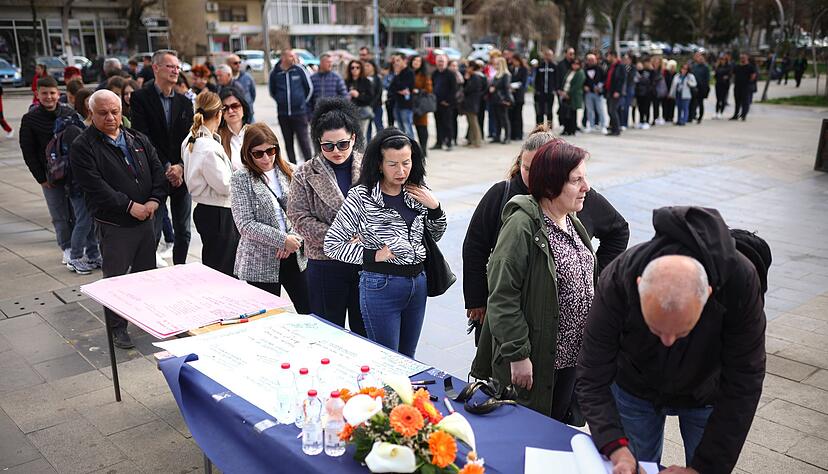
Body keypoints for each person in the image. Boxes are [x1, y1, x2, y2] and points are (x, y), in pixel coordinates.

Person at [576, 207, 766, 474]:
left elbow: (745, 379)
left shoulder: (740, 282)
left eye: (681, 332)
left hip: (706, 390)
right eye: (656, 328)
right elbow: (592, 372)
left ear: (708, 295)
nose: (667, 341)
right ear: (639, 285)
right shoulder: (619, 278)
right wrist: (615, 447)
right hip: (635, 385)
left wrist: (703, 468)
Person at [463, 124, 629, 344]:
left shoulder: (579, 199)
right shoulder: (504, 198)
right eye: (526, 167)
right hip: (519, 320)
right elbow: (475, 248)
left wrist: (594, 276)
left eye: (537, 168)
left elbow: (618, 231)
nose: (532, 176)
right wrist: (477, 299)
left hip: (566, 330)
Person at [471, 138, 596, 423]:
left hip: (569, 361)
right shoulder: (521, 225)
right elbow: (502, 295)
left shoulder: (571, 221)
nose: (586, 187)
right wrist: (517, 354)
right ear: (552, 185)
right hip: (535, 364)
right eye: (577, 180)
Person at [324, 128, 446, 357]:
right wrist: (373, 255)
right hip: (381, 286)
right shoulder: (362, 196)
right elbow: (332, 244)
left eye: (406, 162)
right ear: (379, 164)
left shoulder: (418, 191)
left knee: (409, 357)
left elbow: (436, 236)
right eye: (393, 164)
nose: (401, 171)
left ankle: (407, 395)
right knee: (387, 358)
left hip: (418, 283)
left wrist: (435, 208)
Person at [70, 89, 167, 349]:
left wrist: (154, 200)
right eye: (103, 113)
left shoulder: (136, 137)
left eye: (115, 111)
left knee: (146, 275)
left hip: (146, 220)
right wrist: (128, 206)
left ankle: (147, 319)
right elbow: (95, 186)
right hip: (115, 225)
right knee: (116, 279)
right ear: (91, 113)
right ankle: (117, 328)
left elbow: (158, 172)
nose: (111, 117)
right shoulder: (83, 145)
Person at [288, 97, 367, 336]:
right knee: (328, 333)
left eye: (343, 144)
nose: (336, 151)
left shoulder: (370, 168)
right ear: (318, 143)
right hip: (324, 263)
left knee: (364, 332)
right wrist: (340, 238)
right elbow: (298, 216)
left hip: (365, 261)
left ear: (353, 138)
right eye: (328, 146)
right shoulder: (304, 173)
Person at [232, 123, 310, 313]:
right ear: (248, 153)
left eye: (270, 150)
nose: (266, 158)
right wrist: (282, 240)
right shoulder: (241, 178)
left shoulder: (291, 170)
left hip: (295, 255)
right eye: (258, 153)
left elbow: (304, 212)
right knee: (265, 320)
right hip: (260, 261)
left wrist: (293, 239)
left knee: (311, 312)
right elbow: (245, 224)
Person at [130, 49, 194, 265]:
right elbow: (142, 137)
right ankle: (149, 271)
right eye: (170, 66)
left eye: (178, 67)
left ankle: (181, 269)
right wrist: (167, 166)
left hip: (180, 175)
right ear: (155, 68)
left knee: (183, 230)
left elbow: (190, 139)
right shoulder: (140, 98)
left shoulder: (185, 102)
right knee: (153, 231)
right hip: (155, 174)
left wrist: (181, 166)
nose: (176, 70)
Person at [19, 76, 78, 264]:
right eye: (44, 93)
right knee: (59, 214)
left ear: (58, 93)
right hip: (49, 176)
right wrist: (40, 178)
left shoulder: (69, 113)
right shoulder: (29, 119)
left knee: (77, 213)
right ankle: (67, 247)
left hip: (73, 174)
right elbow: (28, 152)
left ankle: (80, 246)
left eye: (52, 93)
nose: (49, 97)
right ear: (37, 94)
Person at [181, 91, 239, 276]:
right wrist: (242, 177)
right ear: (219, 114)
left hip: (209, 210)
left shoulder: (192, 139)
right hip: (219, 212)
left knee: (216, 265)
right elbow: (224, 186)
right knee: (224, 271)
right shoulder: (207, 146)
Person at [269, 49, 314, 164]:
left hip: (299, 114)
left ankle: (310, 167)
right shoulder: (275, 72)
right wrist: (281, 101)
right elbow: (272, 91)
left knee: (304, 142)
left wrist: (301, 103)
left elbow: (309, 88)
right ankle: (292, 168)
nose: (294, 58)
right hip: (283, 115)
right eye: (291, 56)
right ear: (284, 58)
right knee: (288, 143)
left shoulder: (299, 70)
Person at [218, 88, 252, 171]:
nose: (230, 111)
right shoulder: (218, 137)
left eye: (235, 106)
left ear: (243, 108)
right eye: (225, 108)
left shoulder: (254, 132)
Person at [431, 54, 458, 151]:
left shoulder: (450, 74)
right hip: (437, 103)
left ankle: (449, 142)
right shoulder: (435, 73)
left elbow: (454, 89)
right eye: (439, 61)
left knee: (447, 124)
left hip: (447, 104)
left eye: (442, 61)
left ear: (446, 62)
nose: (440, 63)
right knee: (438, 123)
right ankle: (439, 142)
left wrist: (447, 101)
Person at [344, 60, 376, 139]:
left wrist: (358, 95)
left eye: (357, 67)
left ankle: (361, 151)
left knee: (361, 135)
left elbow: (370, 98)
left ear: (361, 69)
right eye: (352, 67)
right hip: (349, 112)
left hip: (362, 112)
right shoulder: (346, 82)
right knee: (349, 135)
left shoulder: (366, 82)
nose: (355, 69)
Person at [388, 54, 415, 139]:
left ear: (404, 61)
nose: (396, 63)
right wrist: (399, 90)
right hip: (397, 104)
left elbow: (405, 87)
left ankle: (412, 149)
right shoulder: (396, 73)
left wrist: (398, 89)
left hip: (406, 105)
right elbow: (391, 88)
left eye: (398, 60)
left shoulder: (409, 72)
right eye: (395, 61)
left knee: (408, 127)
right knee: (400, 129)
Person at [409, 55, 433, 155]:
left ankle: (423, 149)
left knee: (422, 126)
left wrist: (417, 90)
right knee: (408, 127)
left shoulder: (424, 75)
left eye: (419, 61)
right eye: (414, 60)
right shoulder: (408, 72)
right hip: (408, 103)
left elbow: (429, 89)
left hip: (420, 104)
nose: (416, 62)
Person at [461, 61, 485, 148]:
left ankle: (477, 141)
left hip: (472, 103)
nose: (466, 69)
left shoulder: (475, 77)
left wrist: (466, 80)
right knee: (470, 123)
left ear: (472, 68)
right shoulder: (473, 77)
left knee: (474, 123)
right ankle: (471, 140)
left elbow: (467, 90)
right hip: (470, 103)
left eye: (468, 67)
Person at [490, 57, 512, 144]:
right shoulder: (497, 74)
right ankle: (497, 136)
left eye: (497, 64)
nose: (495, 65)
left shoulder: (506, 74)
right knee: (497, 119)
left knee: (504, 119)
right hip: (495, 99)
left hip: (502, 99)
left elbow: (506, 88)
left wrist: (507, 99)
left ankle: (507, 137)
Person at [582, 53, 606, 134]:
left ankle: (603, 126)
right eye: (589, 60)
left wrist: (599, 86)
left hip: (598, 93)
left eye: (592, 60)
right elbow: (582, 81)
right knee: (589, 111)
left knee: (600, 110)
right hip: (588, 93)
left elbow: (604, 79)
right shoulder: (584, 70)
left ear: (596, 60)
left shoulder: (600, 69)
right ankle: (591, 126)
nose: (591, 61)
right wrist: (584, 86)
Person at [533, 49, 557, 126]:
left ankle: (549, 128)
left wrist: (554, 89)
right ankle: (540, 128)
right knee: (540, 112)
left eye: (550, 55)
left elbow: (557, 78)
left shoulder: (554, 66)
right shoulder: (540, 66)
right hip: (541, 93)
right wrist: (537, 90)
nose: (548, 57)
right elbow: (536, 79)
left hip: (550, 92)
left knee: (549, 111)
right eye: (547, 55)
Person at [561, 58, 585, 136]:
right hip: (565, 94)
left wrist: (568, 94)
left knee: (572, 113)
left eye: (577, 64)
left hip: (573, 96)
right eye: (573, 63)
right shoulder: (570, 71)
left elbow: (577, 86)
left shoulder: (580, 73)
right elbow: (565, 82)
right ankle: (566, 129)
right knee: (565, 113)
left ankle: (572, 129)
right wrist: (563, 92)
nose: (575, 65)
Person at [731, 53, 757, 121]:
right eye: (741, 57)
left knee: (745, 102)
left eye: (743, 57)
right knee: (737, 101)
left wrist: (748, 82)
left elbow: (753, 75)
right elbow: (733, 74)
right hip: (737, 86)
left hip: (746, 86)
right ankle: (735, 115)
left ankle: (743, 115)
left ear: (747, 58)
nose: (742, 59)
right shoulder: (737, 66)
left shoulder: (750, 67)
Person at [508, 54, 529, 141]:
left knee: (518, 115)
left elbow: (523, 83)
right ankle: (512, 134)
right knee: (511, 115)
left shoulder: (524, 69)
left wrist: (516, 86)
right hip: (512, 95)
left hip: (519, 95)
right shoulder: (511, 69)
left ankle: (518, 134)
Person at [363, 60, 384, 140]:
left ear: (373, 67)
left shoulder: (378, 79)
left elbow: (379, 93)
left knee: (379, 126)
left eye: (368, 65)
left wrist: (372, 104)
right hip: (366, 107)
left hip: (377, 106)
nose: (366, 67)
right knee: (367, 128)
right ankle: (368, 146)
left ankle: (381, 143)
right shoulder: (363, 79)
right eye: (365, 66)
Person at [604, 51, 623, 136]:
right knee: (609, 111)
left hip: (615, 92)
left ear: (613, 56)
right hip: (609, 91)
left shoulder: (620, 66)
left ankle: (617, 130)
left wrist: (618, 91)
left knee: (613, 110)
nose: (607, 58)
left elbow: (621, 80)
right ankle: (612, 128)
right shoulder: (610, 66)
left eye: (608, 56)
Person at [689, 52, 710, 124]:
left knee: (700, 103)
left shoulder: (706, 67)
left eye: (702, 58)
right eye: (699, 58)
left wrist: (705, 88)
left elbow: (707, 79)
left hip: (702, 88)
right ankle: (691, 116)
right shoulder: (694, 66)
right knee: (693, 102)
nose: (700, 59)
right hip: (694, 87)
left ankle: (700, 117)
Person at [634, 57, 653, 130]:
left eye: (640, 65)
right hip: (639, 93)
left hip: (647, 93)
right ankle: (641, 121)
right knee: (640, 108)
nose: (639, 67)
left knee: (646, 108)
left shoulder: (647, 72)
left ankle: (647, 121)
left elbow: (649, 81)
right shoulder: (635, 73)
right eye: (637, 65)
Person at [713, 53, 733, 119]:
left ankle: (721, 113)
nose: (722, 60)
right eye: (721, 59)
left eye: (724, 59)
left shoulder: (728, 66)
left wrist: (723, 75)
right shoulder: (718, 66)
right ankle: (716, 112)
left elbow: (729, 75)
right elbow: (715, 75)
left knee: (723, 99)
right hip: (718, 84)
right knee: (718, 99)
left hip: (725, 85)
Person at [650, 56, 667, 126]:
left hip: (660, 89)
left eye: (657, 62)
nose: (656, 63)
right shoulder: (651, 70)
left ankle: (662, 117)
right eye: (655, 61)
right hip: (653, 90)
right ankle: (655, 118)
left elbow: (658, 78)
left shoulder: (661, 70)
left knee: (662, 104)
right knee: (655, 105)